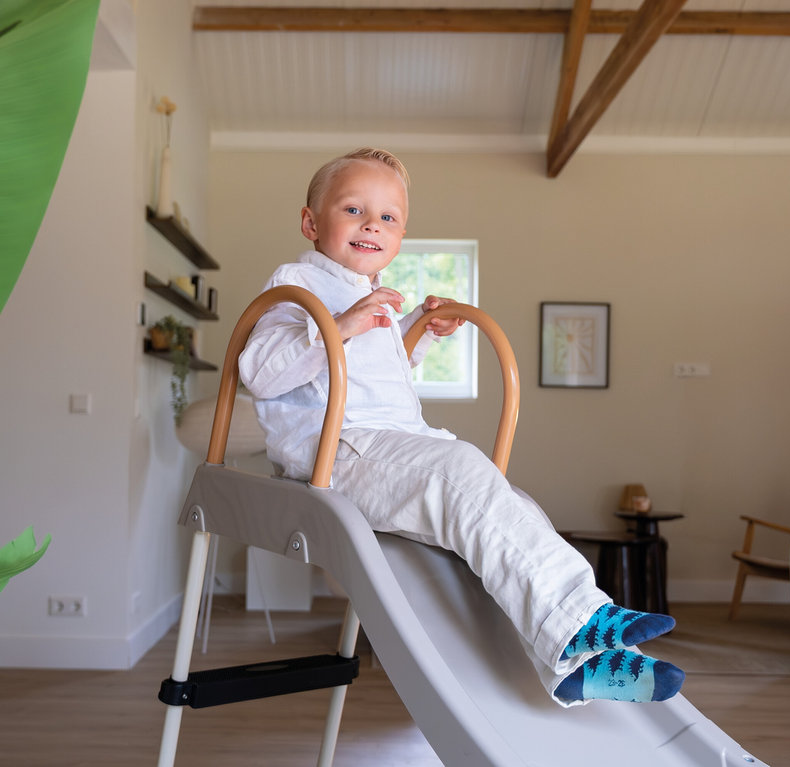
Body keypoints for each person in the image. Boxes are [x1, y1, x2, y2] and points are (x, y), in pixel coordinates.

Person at [238, 147, 685, 706]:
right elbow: (260, 370)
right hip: (338, 455)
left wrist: (419, 332)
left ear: (400, 234)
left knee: (512, 506)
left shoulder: (365, 297)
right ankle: (582, 622)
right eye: (353, 209)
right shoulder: (297, 288)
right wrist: (339, 325)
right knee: (459, 474)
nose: (372, 224)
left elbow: (378, 376)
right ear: (311, 222)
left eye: (388, 217)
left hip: (383, 444)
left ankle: (580, 664)